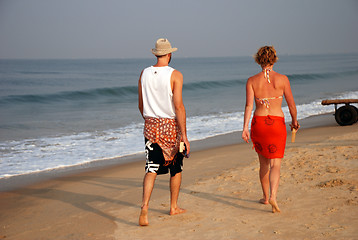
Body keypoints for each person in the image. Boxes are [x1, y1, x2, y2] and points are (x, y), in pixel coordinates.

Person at [137, 38, 190, 226]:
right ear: (169, 54)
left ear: (155, 54)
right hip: (170, 127)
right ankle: (173, 206)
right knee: (176, 168)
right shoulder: (175, 75)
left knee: (151, 168)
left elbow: (141, 105)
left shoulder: (144, 73)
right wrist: (184, 135)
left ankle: (144, 208)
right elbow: (179, 106)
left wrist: (151, 121)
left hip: (150, 126)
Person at [242, 46, 299, 213]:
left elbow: (248, 106)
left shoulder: (252, 80)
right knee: (275, 164)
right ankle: (273, 195)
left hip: (259, 124)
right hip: (276, 124)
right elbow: (291, 105)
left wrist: (245, 127)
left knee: (263, 164)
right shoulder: (282, 79)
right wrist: (295, 121)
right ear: (274, 59)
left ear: (258, 60)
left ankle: (266, 198)